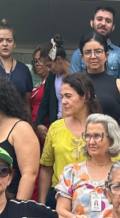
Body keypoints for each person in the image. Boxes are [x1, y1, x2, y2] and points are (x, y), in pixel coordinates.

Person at [38, 73, 107, 206]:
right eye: (62, 96)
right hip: (58, 197)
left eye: (68, 96)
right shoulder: (55, 128)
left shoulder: (104, 127)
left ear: (85, 96)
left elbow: (114, 168)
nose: (63, 101)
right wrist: (41, 204)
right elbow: (46, 168)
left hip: (94, 199)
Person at [55, 114, 120, 218]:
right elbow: (61, 210)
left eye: (97, 136)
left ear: (111, 139)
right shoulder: (72, 171)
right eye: (88, 136)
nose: (91, 142)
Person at [79, 31, 120, 148]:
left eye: (98, 51)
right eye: (87, 52)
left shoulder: (119, 85)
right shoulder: (75, 85)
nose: (93, 56)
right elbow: (66, 120)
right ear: (82, 57)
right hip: (80, 145)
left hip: (112, 147)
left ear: (106, 55)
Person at [68, 5, 120, 83]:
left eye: (108, 21)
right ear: (92, 22)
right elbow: (74, 84)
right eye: (99, 19)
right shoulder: (78, 53)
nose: (103, 23)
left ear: (113, 27)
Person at [34, 35, 71, 141]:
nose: (48, 70)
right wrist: (39, 123)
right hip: (57, 125)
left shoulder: (77, 74)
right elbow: (45, 101)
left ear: (58, 60)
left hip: (75, 126)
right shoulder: (52, 77)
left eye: (49, 65)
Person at [30, 46, 52, 128]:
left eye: (41, 60)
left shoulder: (53, 84)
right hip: (34, 127)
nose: (37, 63)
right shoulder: (37, 85)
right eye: (35, 61)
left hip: (46, 127)